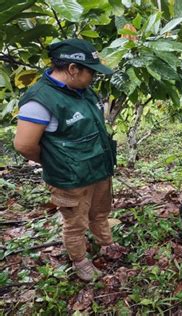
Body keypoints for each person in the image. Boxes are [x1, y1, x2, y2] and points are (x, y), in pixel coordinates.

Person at [14, 39, 125, 281]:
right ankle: (80, 261)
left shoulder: (82, 91)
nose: (94, 77)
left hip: (98, 169)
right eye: (91, 72)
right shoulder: (40, 100)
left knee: (100, 212)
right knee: (76, 222)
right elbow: (24, 145)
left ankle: (106, 243)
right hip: (70, 178)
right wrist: (54, 161)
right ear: (73, 69)